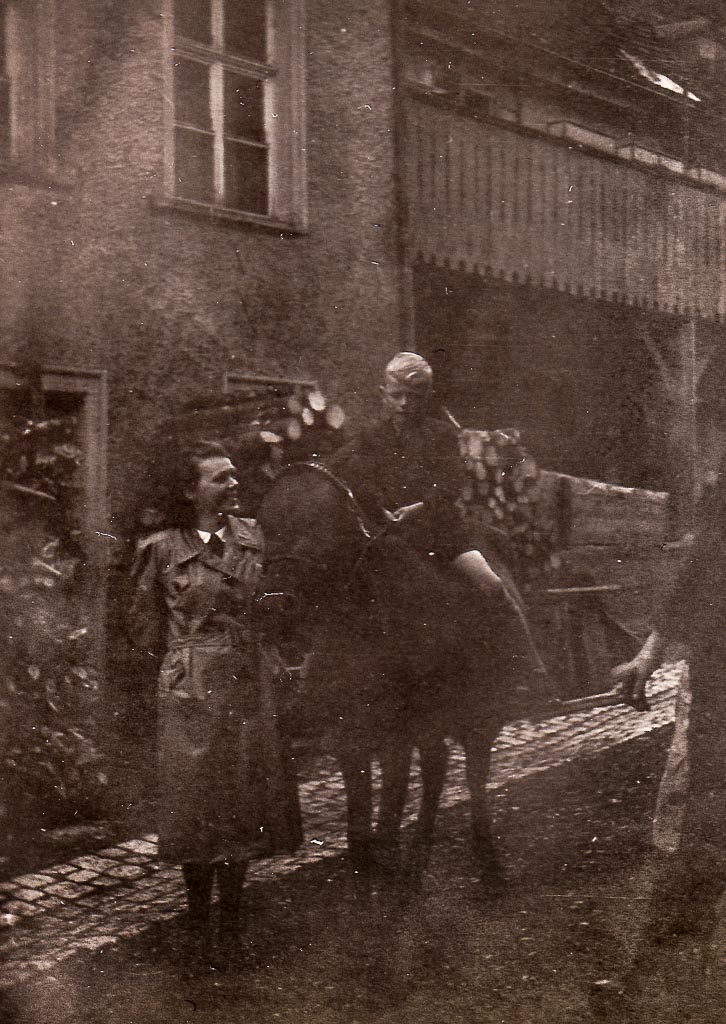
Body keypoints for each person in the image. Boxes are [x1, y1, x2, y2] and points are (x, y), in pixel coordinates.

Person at [127, 441, 301, 959]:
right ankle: (197, 922)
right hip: (190, 690)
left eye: (234, 477)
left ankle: (231, 927)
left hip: (249, 682)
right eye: (220, 479)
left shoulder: (255, 538)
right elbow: (140, 629)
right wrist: (183, 661)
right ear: (190, 490)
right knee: (195, 805)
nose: (234, 486)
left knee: (244, 802)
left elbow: (276, 607)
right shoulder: (159, 550)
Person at [330, 351, 547, 686]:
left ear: (426, 398)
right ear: (383, 394)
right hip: (389, 534)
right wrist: (377, 508)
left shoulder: (442, 435)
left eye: (413, 397)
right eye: (396, 395)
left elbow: (450, 485)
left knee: (492, 585)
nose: (403, 404)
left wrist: (417, 508)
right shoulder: (370, 436)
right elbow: (354, 475)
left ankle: (529, 670)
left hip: (440, 532)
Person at [594, 479, 726, 1010]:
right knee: (703, 828)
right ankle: (656, 980)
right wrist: (649, 656)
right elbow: (702, 573)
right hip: (722, 683)